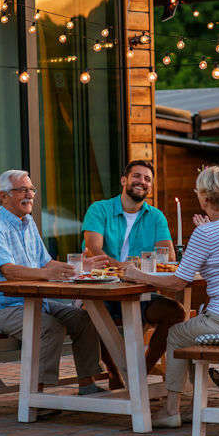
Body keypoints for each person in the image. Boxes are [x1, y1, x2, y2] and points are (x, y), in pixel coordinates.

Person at [123, 165, 219, 428]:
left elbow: (179, 281)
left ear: (203, 197)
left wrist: (138, 275)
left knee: (177, 334)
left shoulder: (206, 233)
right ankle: (195, 404)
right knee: (191, 331)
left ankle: (171, 410)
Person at [0, 170, 108, 398]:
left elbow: (46, 263)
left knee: (84, 319)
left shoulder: (28, 223)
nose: (30, 195)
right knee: (48, 327)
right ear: (3, 197)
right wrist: (49, 274)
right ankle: (36, 395)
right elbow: (9, 271)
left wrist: (78, 268)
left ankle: (87, 384)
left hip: (35, 302)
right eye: (22, 190)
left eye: (31, 189)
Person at [82, 160, 185, 389]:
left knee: (176, 313)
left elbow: (166, 255)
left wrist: (137, 272)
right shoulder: (100, 209)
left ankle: (140, 374)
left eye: (147, 179)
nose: (142, 182)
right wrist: (126, 269)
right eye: (137, 176)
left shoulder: (155, 216)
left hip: (140, 293)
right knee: (90, 316)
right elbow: (94, 249)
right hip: (103, 290)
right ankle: (114, 373)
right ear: (124, 180)